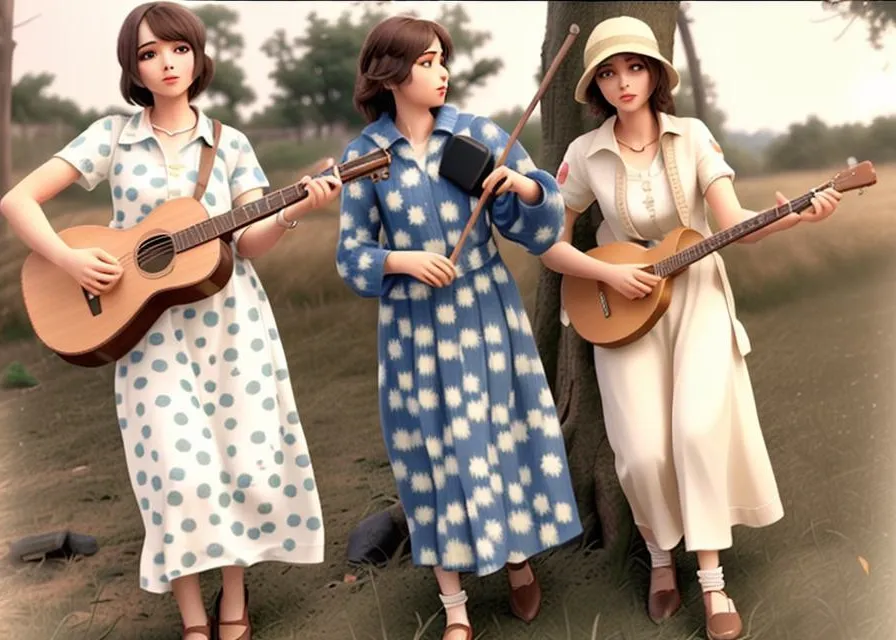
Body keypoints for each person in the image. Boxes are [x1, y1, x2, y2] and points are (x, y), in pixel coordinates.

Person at [0, 3, 342, 639]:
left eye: (178, 50)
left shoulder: (230, 143)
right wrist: (69, 259)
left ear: (197, 55)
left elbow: (250, 241)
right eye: (149, 53)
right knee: (177, 475)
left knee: (240, 463)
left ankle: (234, 602)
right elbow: (16, 199)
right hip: (147, 338)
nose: (166, 64)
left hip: (232, 326)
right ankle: (191, 618)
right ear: (133, 66)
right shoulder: (110, 136)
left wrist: (296, 207)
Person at [539, 16, 841, 640]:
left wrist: (798, 217)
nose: (624, 82)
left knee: (697, 430)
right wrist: (606, 272)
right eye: (610, 72)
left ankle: (710, 580)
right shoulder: (582, 153)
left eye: (636, 67)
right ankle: (657, 558)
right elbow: (550, 245)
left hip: (697, 295)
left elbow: (734, 220)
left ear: (656, 75)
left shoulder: (693, 137)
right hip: (620, 306)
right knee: (644, 450)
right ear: (596, 84)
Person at [336, 14, 583, 640]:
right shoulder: (365, 155)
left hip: (485, 312)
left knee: (499, 435)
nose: (441, 71)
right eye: (425, 62)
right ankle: (454, 606)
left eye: (442, 59)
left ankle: (519, 560)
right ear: (390, 72)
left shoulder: (477, 134)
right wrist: (402, 260)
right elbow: (351, 255)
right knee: (431, 451)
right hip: (412, 328)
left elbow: (540, 226)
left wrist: (523, 187)